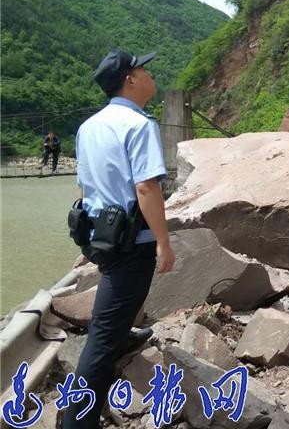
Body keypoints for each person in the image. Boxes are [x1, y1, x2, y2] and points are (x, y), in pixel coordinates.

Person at [63, 49, 176, 429]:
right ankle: (77, 420)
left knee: (115, 304)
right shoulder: (139, 124)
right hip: (131, 241)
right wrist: (162, 240)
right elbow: (146, 187)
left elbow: (84, 184)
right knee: (101, 340)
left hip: (98, 236)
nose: (149, 74)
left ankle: (122, 331)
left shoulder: (89, 126)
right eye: (144, 69)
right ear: (130, 79)